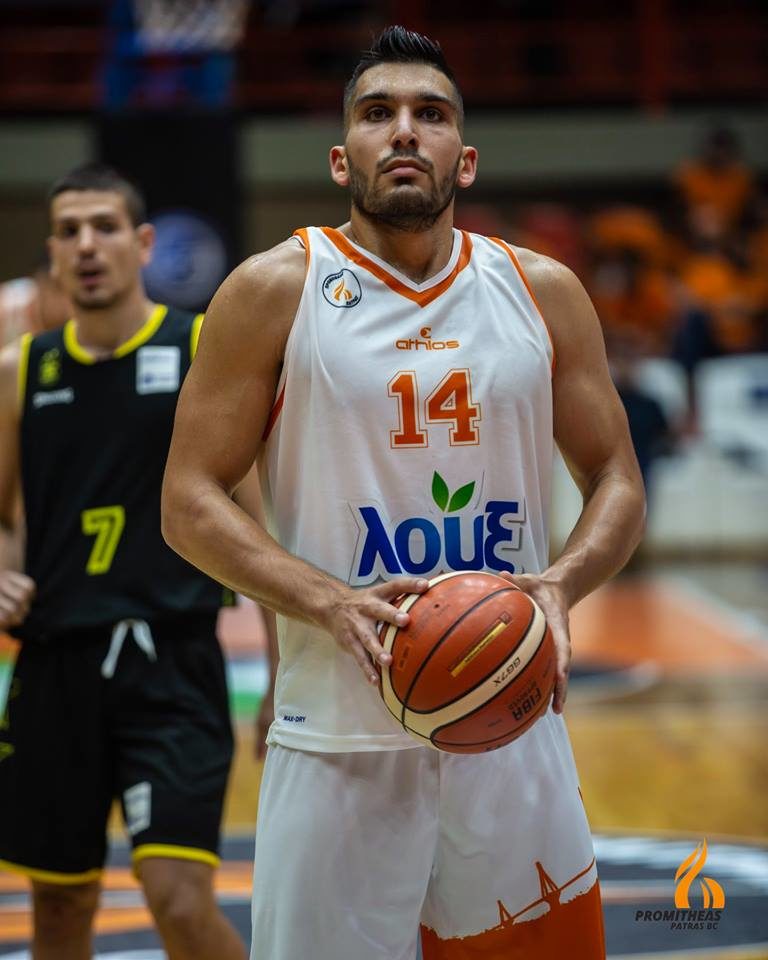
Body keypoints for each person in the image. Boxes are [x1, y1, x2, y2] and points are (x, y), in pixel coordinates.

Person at [162, 26, 646, 960]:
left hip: (510, 720)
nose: (405, 132)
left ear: (465, 158)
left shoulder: (542, 290)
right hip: (336, 732)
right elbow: (187, 499)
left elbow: (617, 477)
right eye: (378, 113)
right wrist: (328, 600)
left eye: (431, 114)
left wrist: (562, 583)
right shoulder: (273, 290)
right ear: (342, 157)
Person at [0, 163, 246, 960]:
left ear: (142, 244)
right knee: (58, 905)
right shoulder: (21, 370)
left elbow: (259, 516)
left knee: (178, 900)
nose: (86, 245)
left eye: (103, 226)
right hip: (54, 664)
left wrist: (285, 676)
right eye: (68, 231)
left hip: (172, 660)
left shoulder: (200, 346)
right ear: (51, 253)